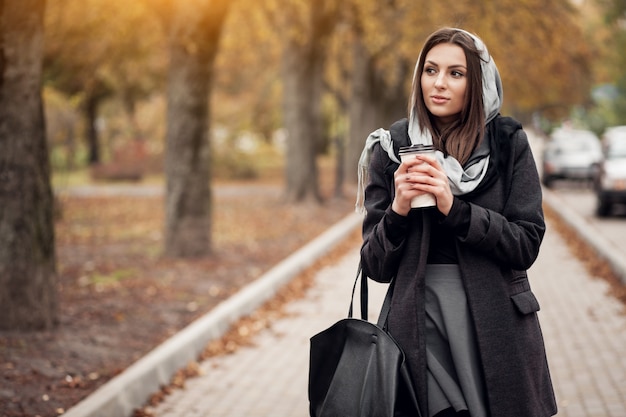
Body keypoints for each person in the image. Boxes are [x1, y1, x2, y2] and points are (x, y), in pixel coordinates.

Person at [356, 28, 557, 417]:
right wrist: (398, 209)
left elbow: (525, 244)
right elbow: (375, 266)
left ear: (477, 83)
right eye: (430, 71)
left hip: (494, 320)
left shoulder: (507, 141)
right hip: (418, 323)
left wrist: (455, 209)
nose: (439, 83)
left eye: (455, 73)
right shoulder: (391, 146)